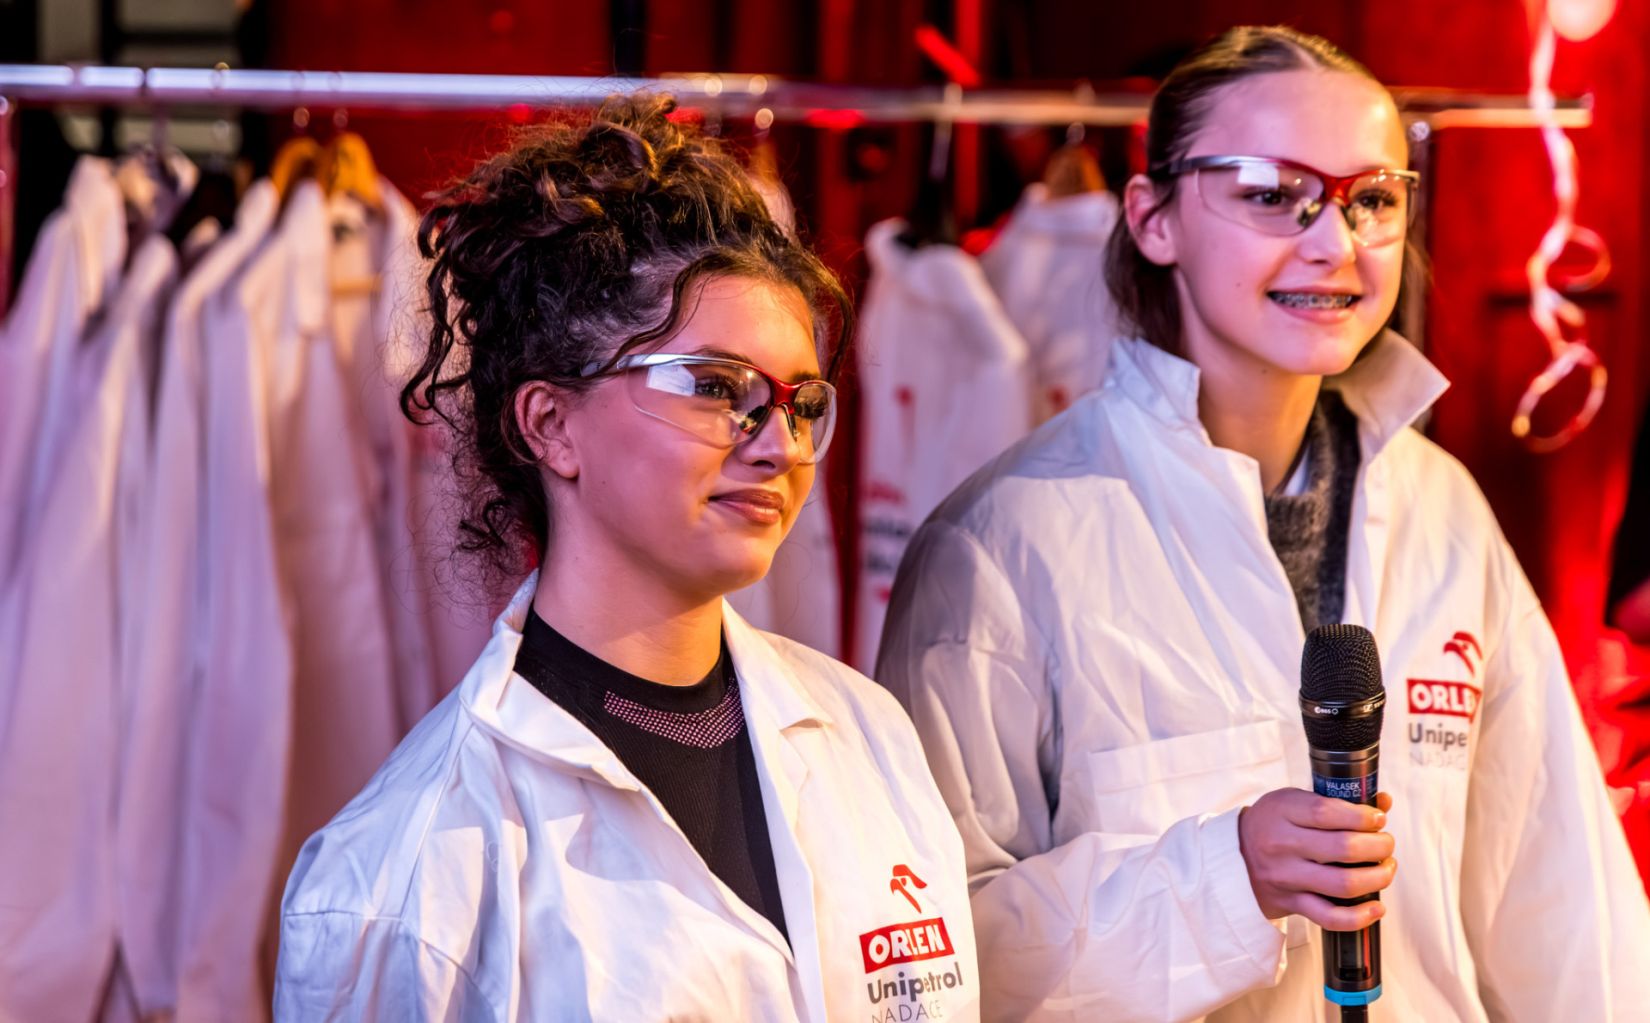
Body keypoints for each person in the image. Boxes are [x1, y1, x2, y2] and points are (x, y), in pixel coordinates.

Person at [876, 25, 1650, 1022]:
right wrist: (1221, 876)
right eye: (1272, 193)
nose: (1335, 243)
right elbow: (937, 960)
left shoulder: (1442, 508)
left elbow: (1564, 910)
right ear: (1153, 219)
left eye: (1373, 199)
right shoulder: (1003, 542)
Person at [274, 96, 979, 1022]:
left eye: (802, 402)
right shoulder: (408, 873)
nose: (781, 445)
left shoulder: (870, 735)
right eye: (716, 387)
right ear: (550, 424)